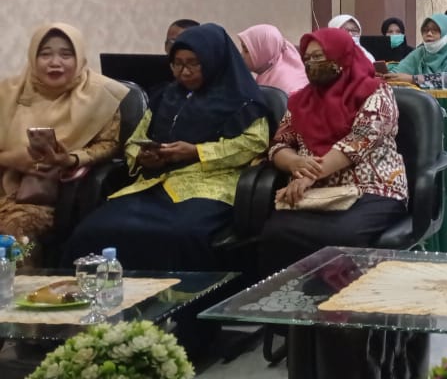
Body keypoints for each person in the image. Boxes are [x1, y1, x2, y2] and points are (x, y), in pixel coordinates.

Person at [64, 23, 270, 270]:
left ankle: (186, 295)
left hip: (210, 185)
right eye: (177, 64)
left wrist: (197, 152)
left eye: (193, 63)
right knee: (92, 230)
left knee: (182, 236)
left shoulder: (244, 100)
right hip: (154, 184)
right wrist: (142, 156)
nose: (184, 72)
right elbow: (135, 140)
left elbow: (254, 143)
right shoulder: (165, 96)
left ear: (214, 61)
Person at [259, 27, 408, 272]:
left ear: (342, 55)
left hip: (370, 189)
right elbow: (279, 144)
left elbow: (359, 140)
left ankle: (345, 296)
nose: (311, 64)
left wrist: (309, 175)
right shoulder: (301, 100)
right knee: (274, 232)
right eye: (307, 58)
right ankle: (289, 295)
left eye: (319, 56)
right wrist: (294, 162)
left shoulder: (376, 92)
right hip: (314, 193)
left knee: (342, 236)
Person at [0, 24, 128, 244]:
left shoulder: (100, 95)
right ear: (33, 57)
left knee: (13, 234)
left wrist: (70, 159)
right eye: (45, 54)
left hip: (50, 197)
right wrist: (10, 159)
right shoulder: (8, 92)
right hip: (4, 184)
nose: (55, 63)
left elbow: (109, 143)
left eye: (66, 55)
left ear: (79, 58)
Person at [384, 14, 447, 86]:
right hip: (422, 104)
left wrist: (413, 80)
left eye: (435, 30)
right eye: (425, 30)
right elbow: (399, 72)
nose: (429, 34)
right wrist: (387, 76)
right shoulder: (422, 52)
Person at [237, 24, 309, 95]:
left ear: (265, 52)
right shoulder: (267, 73)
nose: (241, 55)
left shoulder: (284, 89)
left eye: (246, 51)